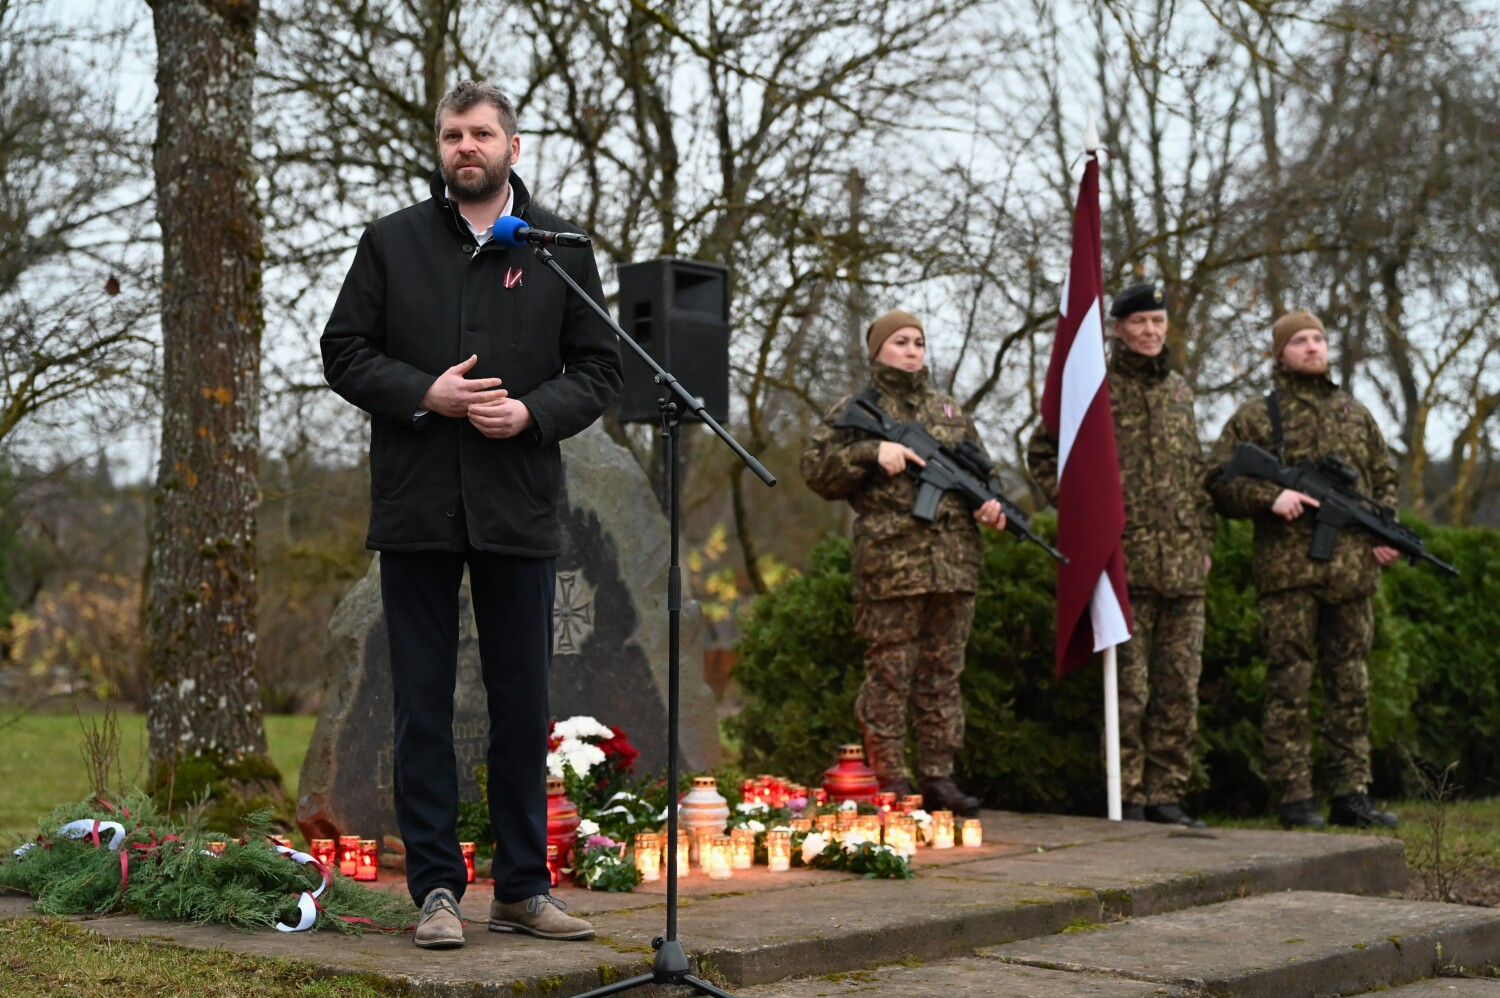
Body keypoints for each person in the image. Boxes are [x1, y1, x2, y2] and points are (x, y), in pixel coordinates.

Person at [321, 80, 621, 948]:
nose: (465, 147)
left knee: (522, 704)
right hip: (416, 506)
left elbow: (599, 369)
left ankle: (523, 888)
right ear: (441, 147)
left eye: (481, 133)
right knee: (422, 705)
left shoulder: (560, 248)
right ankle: (437, 892)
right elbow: (344, 353)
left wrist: (532, 413)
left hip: (517, 506)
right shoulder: (391, 243)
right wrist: (426, 392)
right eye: (452, 134)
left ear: (512, 148)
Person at [800, 309, 1007, 817]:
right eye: (900, 341)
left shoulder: (949, 413)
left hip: (954, 567)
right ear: (877, 351)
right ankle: (889, 776)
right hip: (891, 567)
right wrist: (871, 452)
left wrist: (993, 504)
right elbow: (815, 470)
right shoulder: (855, 409)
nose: (912, 350)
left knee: (943, 676)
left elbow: (985, 474)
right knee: (889, 674)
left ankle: (938, 777)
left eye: (918, 341)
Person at [1026, 282, 1216, 828]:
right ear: (1117, 329)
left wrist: (1202, 539)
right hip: (1122, 564)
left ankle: (1167, 796)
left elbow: (1195, 474)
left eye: (1158, 322)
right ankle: (1128, 796)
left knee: (1179, 690)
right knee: (1129, 692)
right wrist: (1082, 516)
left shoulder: (1180, 390)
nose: (1151, 332)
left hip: (1183, 565)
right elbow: (1045, 452)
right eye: (1140, 323)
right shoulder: (1096, 388)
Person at [1206, 311, 1400, 830]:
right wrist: (1271, 496)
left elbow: (1383, 480)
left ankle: (1351, 793)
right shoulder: (1256, 417)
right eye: (1300, 340)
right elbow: (1218, 482)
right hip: (1288, 575)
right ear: (1280, 352)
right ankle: (1294, 797)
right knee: (1289, 685)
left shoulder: (1355, 414)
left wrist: (1387, 531)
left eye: (1318, 337)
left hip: (1352, 576)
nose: (1313, 347)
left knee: (1351, 686)